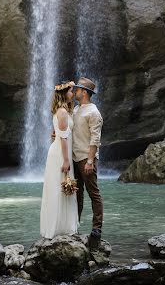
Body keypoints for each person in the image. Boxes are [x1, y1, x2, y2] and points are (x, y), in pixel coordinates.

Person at [40, 81, 78, 239]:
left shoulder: (63, 111)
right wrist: (66, 160)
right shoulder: (62, 112)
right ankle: (58, 227)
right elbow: (63, 138)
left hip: (61, 152)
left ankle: (62, 225)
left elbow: (60, 133)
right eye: (70, 91)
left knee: (62, 188)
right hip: (60, 155)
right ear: (64, 93)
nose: (73, 94)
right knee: (59, 188)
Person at [72, 77, 104, 251]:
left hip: (86, 157)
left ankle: (96, 228)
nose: (75, 92)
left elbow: (95, 139)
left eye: (77, 89)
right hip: (75, 157)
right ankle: (74, 225)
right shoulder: (77, 109)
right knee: (77, 194)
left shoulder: (93, 112)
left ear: (84, 92)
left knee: (94, 193)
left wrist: (90, 161)